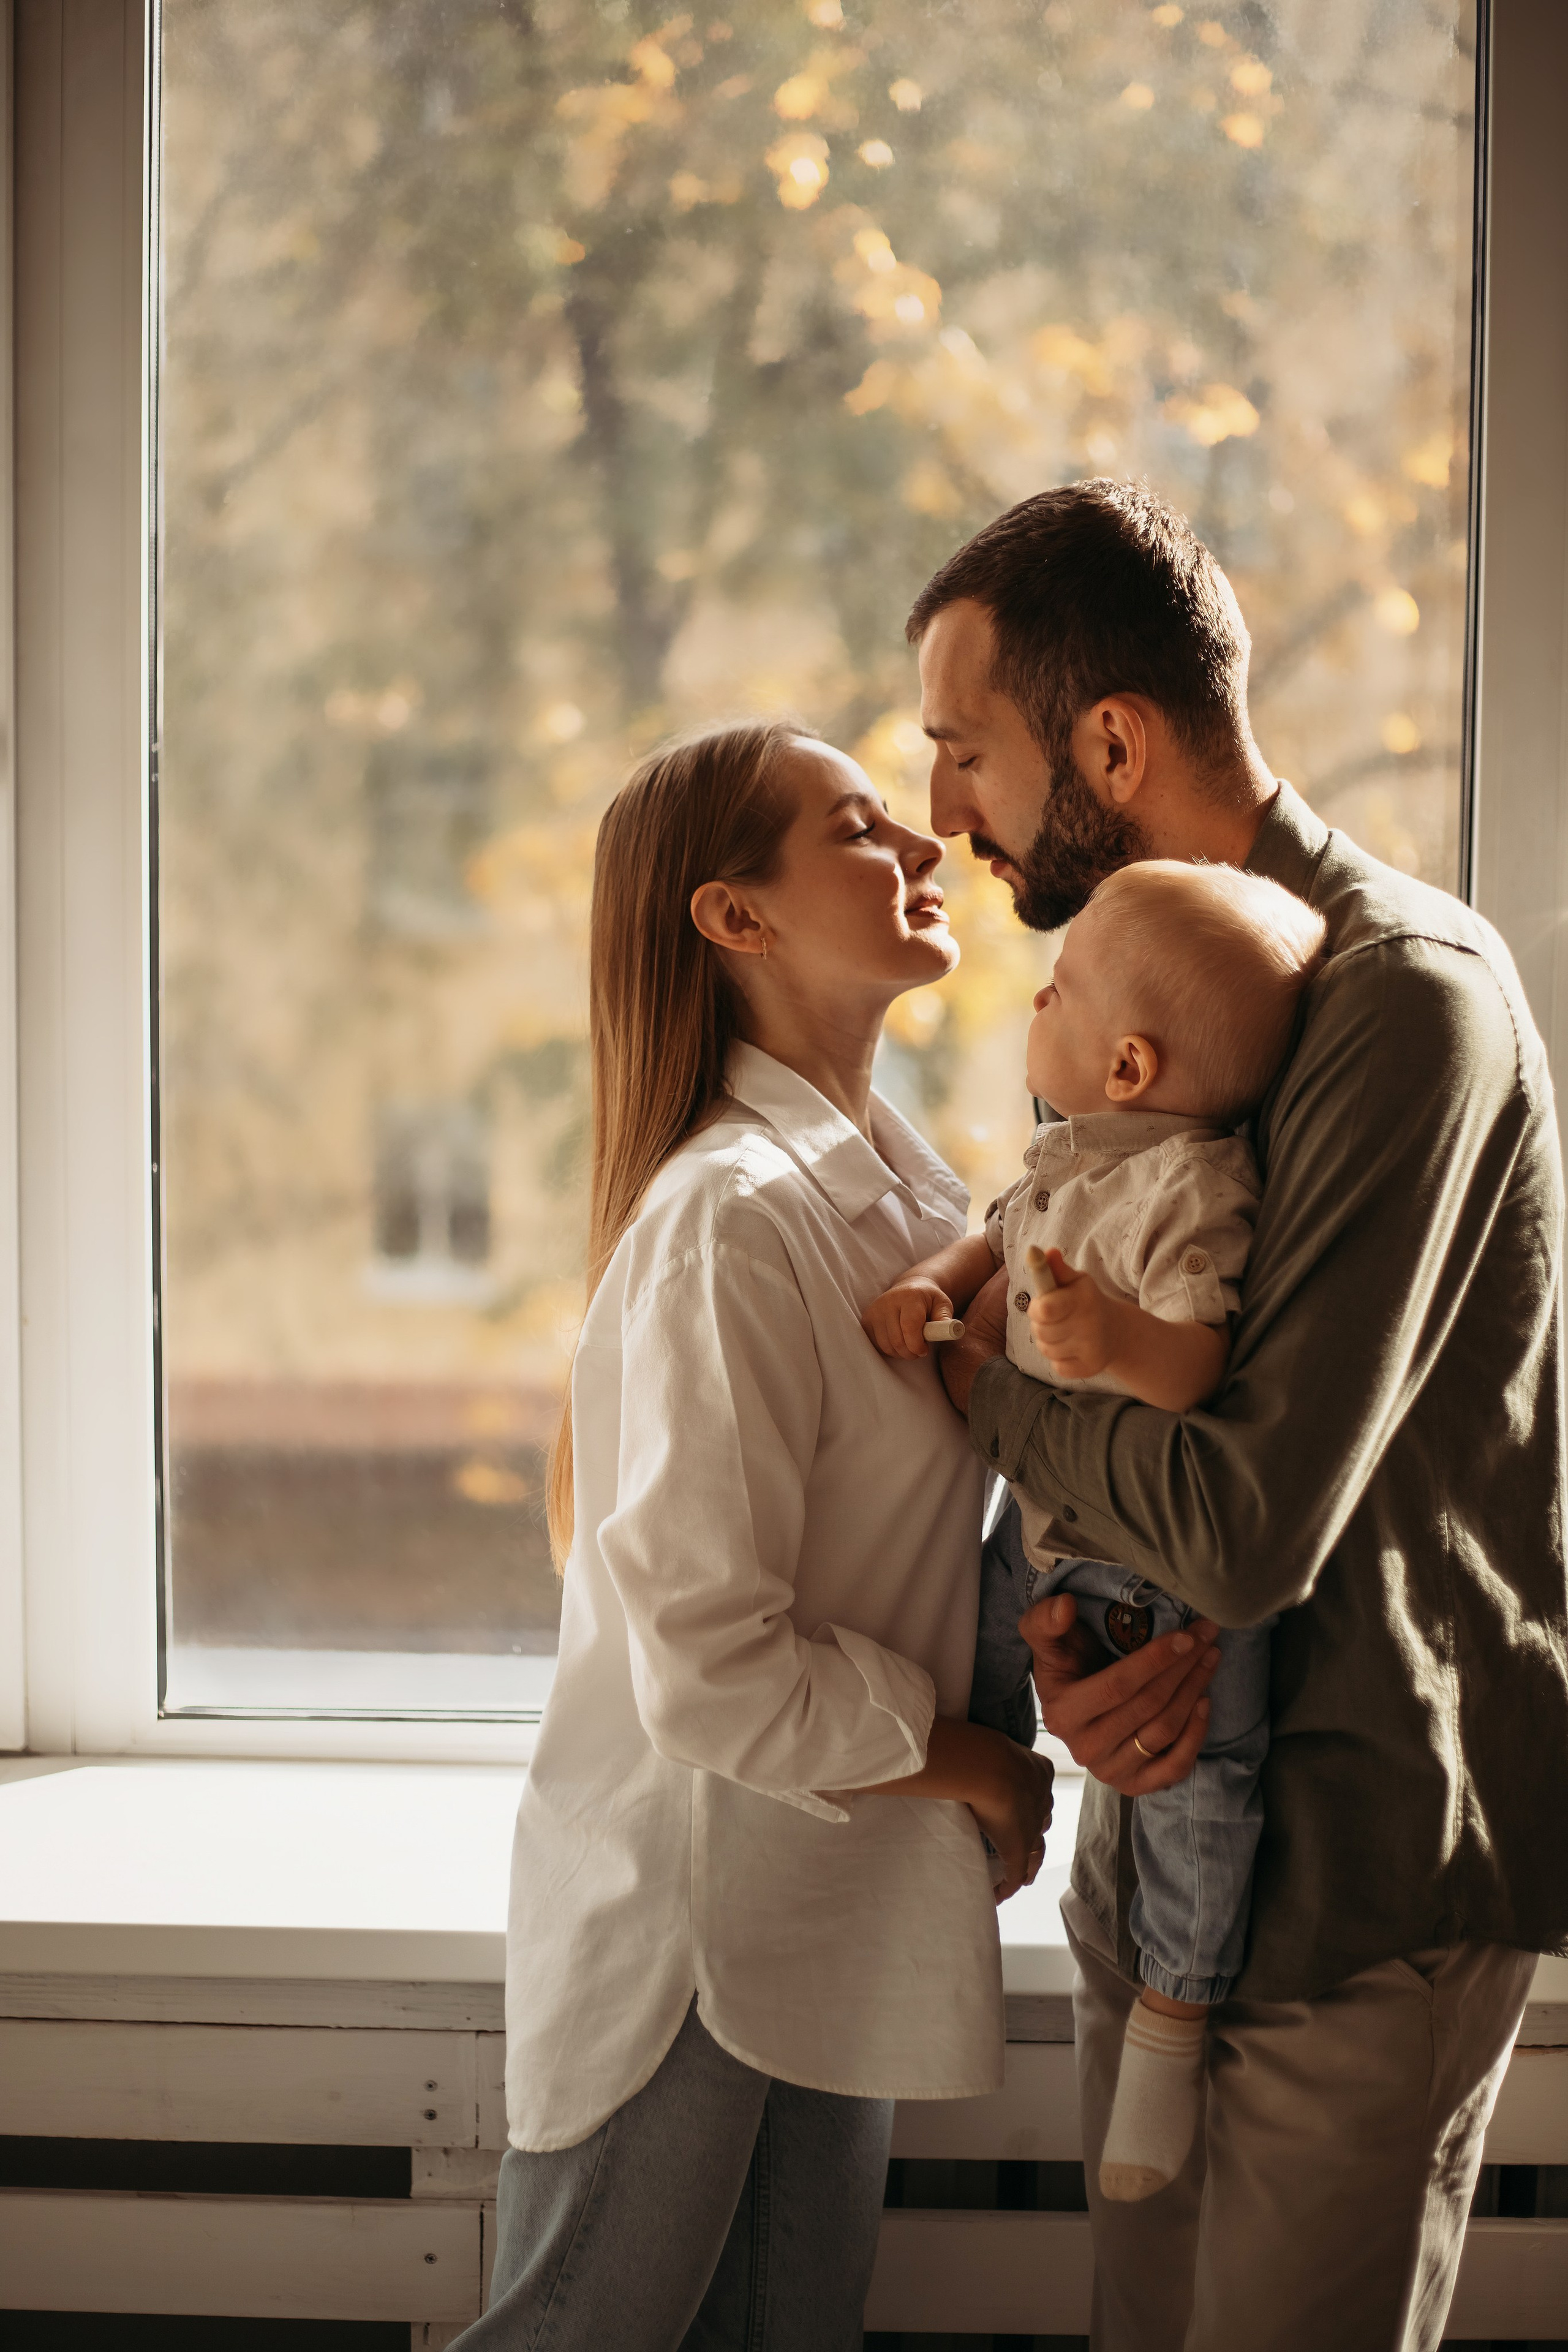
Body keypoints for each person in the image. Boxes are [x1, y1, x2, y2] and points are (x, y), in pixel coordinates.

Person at [911, 480, 1568, 2352]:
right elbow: (1118, 1458)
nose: (948, 813)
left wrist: (975, 1388)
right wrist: (1067, 1644)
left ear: (1109, 739)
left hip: (1359, 1888)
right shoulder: (1129, 998)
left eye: (969, 752)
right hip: (1162, 1855)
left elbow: (1245, 1521)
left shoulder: (1401, 1005)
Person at [453, 717, 1065, 2352]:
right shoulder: (729, 1221)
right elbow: (712, 1672)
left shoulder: (915, 1203)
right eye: (862, 830)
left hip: (828, 1910)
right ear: (738, 919)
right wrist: (970, 1763)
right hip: (695, 1932)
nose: (927, 847)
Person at [862, 858, 1325, 2204]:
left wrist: (1106, 1337)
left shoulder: (1196, 1188)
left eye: (1052, 994)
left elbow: (1195, 1368)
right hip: (1041, 1519)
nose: (1030, 1007)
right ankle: (982, 1821)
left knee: (1199, 1779)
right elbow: (994, 1243)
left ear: (1126, 1062)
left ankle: (1174, 2020)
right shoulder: (1064, 1156)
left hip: (1153, 1562)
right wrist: (925, 1283)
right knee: (969, 1648)